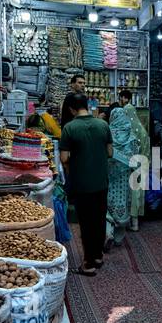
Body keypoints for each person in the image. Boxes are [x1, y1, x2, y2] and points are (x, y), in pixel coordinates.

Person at [58, 93, 112, 276]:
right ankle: (97, 256)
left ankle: (88, 263)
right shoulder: (103, 125)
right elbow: (110, 152)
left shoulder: (69, 128)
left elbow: (64, 157)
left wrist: (73, 162)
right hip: (101, 181)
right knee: (99, 219)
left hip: (82, 183)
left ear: (72, 109)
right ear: (87, 105)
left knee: (86, 223)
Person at [106, 104, 141, 250]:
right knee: (122, 203)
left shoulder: (108, 134)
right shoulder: (132, 137)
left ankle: (108, 232)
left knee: (107, 202)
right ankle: (119, 239)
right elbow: (135, 159)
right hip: (124, 177)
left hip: (108, 174)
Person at [117, 89, 148, 230]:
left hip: (129, 167)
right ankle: (134, 222)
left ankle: (128, 220)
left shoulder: (125, 133)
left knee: (128, 192)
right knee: (137, 191)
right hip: (141, 165)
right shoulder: (142, 131)